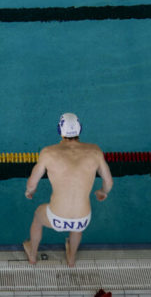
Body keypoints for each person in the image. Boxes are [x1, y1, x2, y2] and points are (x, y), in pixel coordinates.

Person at [23, 113, 113, 267]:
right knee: (77, 229)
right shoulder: (95, 151)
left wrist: (29, 192)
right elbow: (109, 182)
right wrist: (102, 192)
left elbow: (32, 184)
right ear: (80, 129)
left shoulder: (48, 153)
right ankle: (71, 259)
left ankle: (32, 255)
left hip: (56, 217)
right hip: (82, 220)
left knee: (38, 216)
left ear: (59, 130)